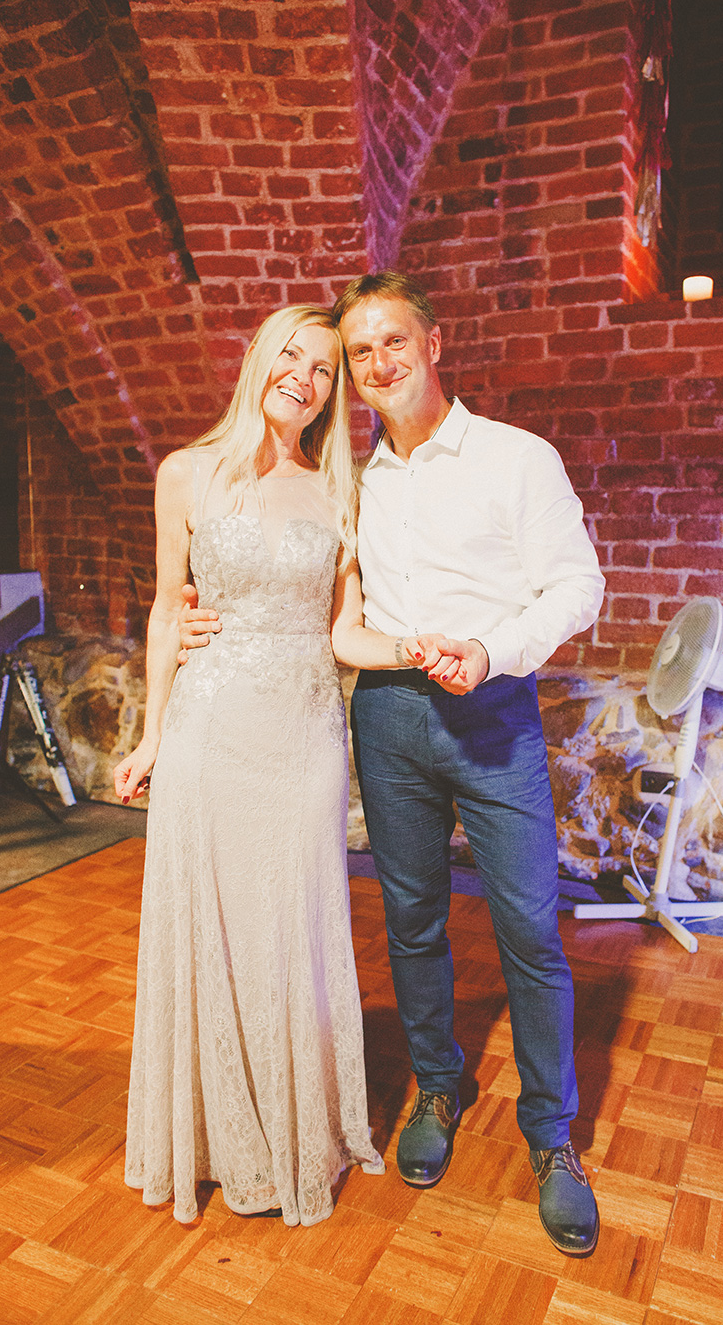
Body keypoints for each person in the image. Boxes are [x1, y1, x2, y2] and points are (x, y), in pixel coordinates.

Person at [180, 273, 606, 1255]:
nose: (377, 363)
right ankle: (439, 1088)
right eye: (359, 352)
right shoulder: (351, 480)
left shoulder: (516, 458)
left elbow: (578, 586)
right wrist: (201, 614)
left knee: (528, 930)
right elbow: (298, 579)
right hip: (389, 718)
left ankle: (551, 1136)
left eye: (392, 341)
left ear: (434, 342)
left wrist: (490, 652)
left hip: (493, 716)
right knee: (411, 922)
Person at [113, 303, 462, 1226]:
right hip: (208, 729)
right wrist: (151, 736)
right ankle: (217, 1137)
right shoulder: (186, 473)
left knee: (292, 931)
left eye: (323, 372)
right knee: (214, 930)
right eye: (292, 359)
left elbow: (345, 633)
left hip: (304, 739)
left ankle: (292, 1128)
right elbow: (167, 610)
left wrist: (417, 647)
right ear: (259, 359)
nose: (304, 381)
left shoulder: (340, 492)